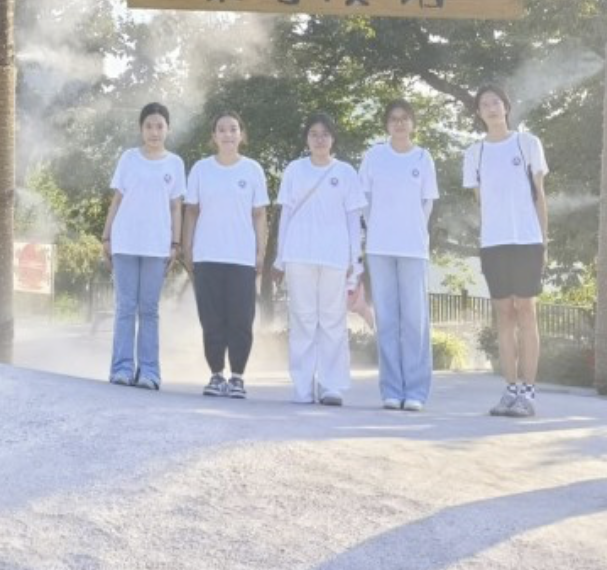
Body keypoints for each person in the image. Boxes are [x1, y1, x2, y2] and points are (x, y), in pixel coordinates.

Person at [462, 85, 549, 417]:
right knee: (503, 313)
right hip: (493, 242)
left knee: (526, 310)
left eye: (495, 102)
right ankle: (510, 390)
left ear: (506, 107)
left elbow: (540, 195)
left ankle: (529, 393)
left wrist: (544, 241)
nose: (491, 108)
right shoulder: (474, 153)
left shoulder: (527, 144)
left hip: (527, 240)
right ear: (479, 113)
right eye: (484, 104)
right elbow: (481, 201)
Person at [274, 112, 365, 406]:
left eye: (325, 134)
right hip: (299, 254)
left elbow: (353, 219)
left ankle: (331, 385)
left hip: (335, 256)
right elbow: (286, 214)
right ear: (306, 139)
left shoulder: (346, 172)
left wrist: (355, 259)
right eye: (313, 134)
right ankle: (302, 386)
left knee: (332, 321)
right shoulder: (294, 170)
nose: (319, 139)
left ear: (333, 138)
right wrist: (280, 257)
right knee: (302, 320)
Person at [359, 99, 439, 411]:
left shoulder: (423, 157)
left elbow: (427, 203)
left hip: (413, 249)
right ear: (386, 124)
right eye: (393, 118)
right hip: (379, 248)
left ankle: (416, 391)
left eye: (405, 118)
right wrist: (376, 227)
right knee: (387, 320)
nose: (399, 123)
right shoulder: (374, 156)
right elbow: (364, 199)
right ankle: (391, 390)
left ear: (413, 123)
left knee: (415, 321)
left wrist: (412, 231)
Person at [183, 112, 270, 399]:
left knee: (241, 319)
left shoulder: (253, 170)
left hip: (241, 257)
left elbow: (259, 214)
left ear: (241, 134)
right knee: (211, 319)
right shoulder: (201, 169)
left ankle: (238, 377)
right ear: (214, 136)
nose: (228, 134)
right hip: (207, 255)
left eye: (233, 129)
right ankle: (216, 374)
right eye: (221, 130)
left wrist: (260, 252)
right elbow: (191, 212)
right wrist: (187, 248)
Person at [100, 102, 186, 390]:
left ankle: (149, 372)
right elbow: (117, 200)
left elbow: (176, 207)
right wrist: (106, 238)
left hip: (157, 245)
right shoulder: (129, 158)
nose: (154, 131)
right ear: (141, 129)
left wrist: (175, 243)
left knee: (149, 309)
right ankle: (121, 369)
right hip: (125, 241)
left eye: (159, 126)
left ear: (167, 129)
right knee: (125, 307)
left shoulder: (175, 163)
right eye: (149, 126)